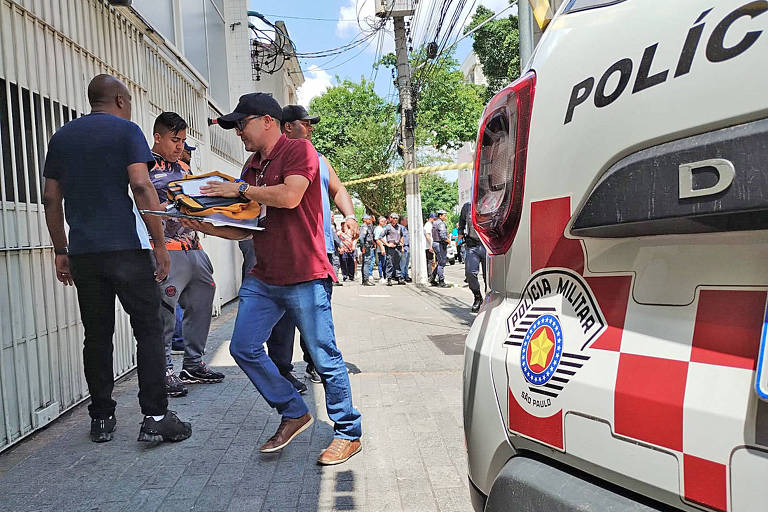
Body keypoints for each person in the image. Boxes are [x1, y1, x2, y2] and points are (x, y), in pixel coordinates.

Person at [194, 93, 362, 464]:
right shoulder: (250, 167)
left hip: (305, 273)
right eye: (234, 126)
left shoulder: (299, 151)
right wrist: (203, 224)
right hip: (265, 276)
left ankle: (348, 432)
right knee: (243, 347)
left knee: (324, 356)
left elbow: (289, 197)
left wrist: (238, 189)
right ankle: (293, 410)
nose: (238, 132)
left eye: (242, 124)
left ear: (267, 121)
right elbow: (245, 227)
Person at [42, 73, 191, 444]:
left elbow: (50, 197)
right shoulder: (127, 131)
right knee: (148, 330)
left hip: (84, 252)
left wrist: (61, 250)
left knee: (97, 336)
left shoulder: (61, 137)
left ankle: (102, 418)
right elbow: (141, 185)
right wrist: (159, 244)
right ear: (121, 101)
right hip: (125, 249)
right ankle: (155, 416)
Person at [265, 104, 358, 391]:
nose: (311, 128)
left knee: (317, 316)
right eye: (306, 123)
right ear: (288, 126)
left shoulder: (319, 159)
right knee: (281, 319)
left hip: (319, 252)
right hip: (284, 252)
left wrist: (350, 216)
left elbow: (339, 189)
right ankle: (281, 371)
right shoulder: (270, 159)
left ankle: (317, 363)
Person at [148, 112, 224, 398]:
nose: (179, 146)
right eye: (174, 140)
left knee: (202, 305)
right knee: (164, 314)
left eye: (182, 140)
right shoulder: (144, 166)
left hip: (193, 247)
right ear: (158, 137)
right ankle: (164, 369)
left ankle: (193, 364)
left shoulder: (183, 166)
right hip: (166, 250)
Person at [172, 142, 196, 354]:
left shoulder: (185, 170)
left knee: (186, 297)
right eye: (177, 142)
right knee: (175, 297)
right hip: (172, 245)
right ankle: (179, 340)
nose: (185, 152)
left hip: (189, 242)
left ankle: (190, 355)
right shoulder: (176, 169)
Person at [458, 201, 487, 313]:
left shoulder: (490, 202)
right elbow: (461, 222)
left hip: (487, 245)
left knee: (488, 277)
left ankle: (488, 300)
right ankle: (478, 297)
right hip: (472, 245)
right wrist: (460, 234)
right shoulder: (467, 207)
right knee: (470, 273)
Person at [383, 213, 405, 286]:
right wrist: (387, 244)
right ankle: (389, 279)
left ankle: (399, 278)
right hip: (390, 247)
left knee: (397, 263)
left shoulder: (399, 227)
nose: (395, 220)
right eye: (394, 218)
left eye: (396, 218)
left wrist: (402, 244)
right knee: (390, 263)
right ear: (391, 218)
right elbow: (380, 237)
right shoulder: (387, 227)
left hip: (398, 246)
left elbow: (402, 236)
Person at [431, 210, 450, 288]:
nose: (446, 217)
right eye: (444, 215)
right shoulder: (441, 223)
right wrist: (448, 240)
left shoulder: (435, 223)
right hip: (440, 244)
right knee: (442, 263)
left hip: (436, 243)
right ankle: (441, 281)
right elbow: (443, 236)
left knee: (439, 263)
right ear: (440, 216)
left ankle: (432, 278)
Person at [359, 214, 376, 286]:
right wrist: (363, 247)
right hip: (366, 246)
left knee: (366, 262)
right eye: (368, 219)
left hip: (368, 245)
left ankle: (364, 280)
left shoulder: (368, 227)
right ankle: (365, 280)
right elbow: (361, 238)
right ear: (364, 220)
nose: (370, 220)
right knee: (366, 263)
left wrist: (373, 242)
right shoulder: (364, 227)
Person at [374, 216, 387, 282]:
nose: (385, 222)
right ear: (380, 221)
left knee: (384, 263)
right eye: (383, 221)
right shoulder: (378, 229)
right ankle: (381, 277)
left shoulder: (383, 228)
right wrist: (382, 248)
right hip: (381, 249)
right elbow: (377, 239)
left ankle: (385, 276)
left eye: (385, 221)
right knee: (381, 263)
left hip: (385, 248)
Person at [399, 216, 411, 282]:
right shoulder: (400, 228)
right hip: (404, 247)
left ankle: (406, 275)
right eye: (406, 220)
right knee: (403, 263)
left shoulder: (405, 228)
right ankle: (401, 276)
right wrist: (402, 247)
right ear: (402, 221)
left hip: (408, 247)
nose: (407, 222)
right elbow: (401, 238)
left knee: (406, 263)